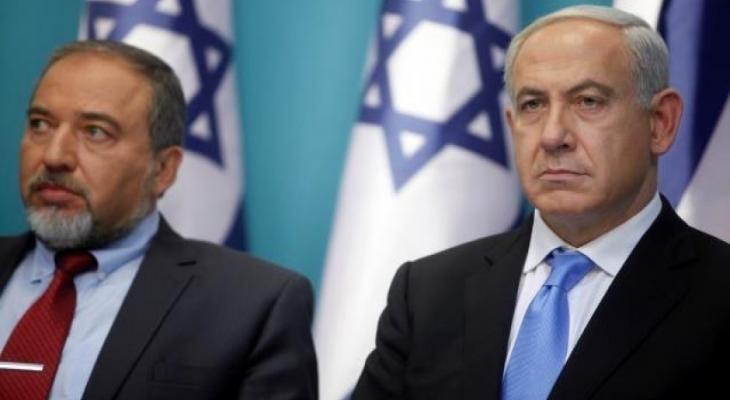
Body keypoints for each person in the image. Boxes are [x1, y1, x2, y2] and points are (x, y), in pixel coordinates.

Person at [352, 5, 730, 400]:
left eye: (588, 101)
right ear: (512, 125)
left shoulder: (719, 295)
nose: (552, 136)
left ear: (660, 123)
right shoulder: (427, 293)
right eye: (533, 104)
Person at [0, 40, 317, 399]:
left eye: (95, 132)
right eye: (40, 124)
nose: (55, 156)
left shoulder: (252, 305)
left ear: (163, 169)